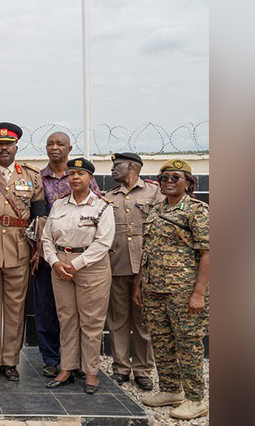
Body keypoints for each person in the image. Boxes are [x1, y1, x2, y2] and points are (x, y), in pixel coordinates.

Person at [0, 122, 47, 382]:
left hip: (19, 248)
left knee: (15, 308)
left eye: (8, 144)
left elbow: (38, 216)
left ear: (16, 147)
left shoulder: (31, 176)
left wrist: (37, 249)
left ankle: (10, 361)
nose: (4, 148)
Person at [135, 159, 210, 420]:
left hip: (184, 291)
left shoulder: (197, 211)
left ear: (188, 183)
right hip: (154, 288)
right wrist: (139, 285)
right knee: (162, 341)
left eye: (175, 177)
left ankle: (195, 399)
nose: (168, 182)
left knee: (188, 345)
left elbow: (207, 253)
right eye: (164, 177)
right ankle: (170, 389)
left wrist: (199, 293)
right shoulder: (156, 210)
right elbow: (148, 251)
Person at [40, 157, 115, 394]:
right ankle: (67, 368)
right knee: (67, 319)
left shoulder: (102, 207)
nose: (75, 177)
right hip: (61, 267)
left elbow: (104, 242)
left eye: (81, 174)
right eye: (72, 173)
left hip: (91, 268)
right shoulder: (59, 205)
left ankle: (91, 372)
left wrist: (77, 264)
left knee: (91, 322)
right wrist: (54, 262)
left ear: (90, 178)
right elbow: (46, 238)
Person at [103, 152, 163, 390]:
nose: (112, 170)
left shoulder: (153, 193)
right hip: (117, 265)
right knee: (118, 320)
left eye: (117, 166)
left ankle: (142, 370)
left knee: (142, 323)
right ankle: (120, 368)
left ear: (132, 167)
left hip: (144, 268)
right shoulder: (108, 196)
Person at [31, 132, 72, 378]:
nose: (54, 148)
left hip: (74, 257)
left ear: (69, 148)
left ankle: (71, 359)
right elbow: (34, 215)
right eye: (50, 144)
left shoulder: (80, 174)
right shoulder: (38, 179)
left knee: (70, 310)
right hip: (44, 255)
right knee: (46, 307)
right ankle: (51, 359)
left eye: (59, 144)